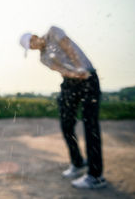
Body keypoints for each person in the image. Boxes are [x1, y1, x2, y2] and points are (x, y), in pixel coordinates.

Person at [20, 26, 106, 189]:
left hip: (89, 77)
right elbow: (61, 69)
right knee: (66, 124)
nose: (32, 48)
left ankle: (96, 176)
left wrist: (80, 67)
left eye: (31, 44)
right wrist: (74, 74)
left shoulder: (53, 31)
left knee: (91, 125)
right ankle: (78, 162)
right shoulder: (43, 58)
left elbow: (68, 47)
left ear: (34, 37)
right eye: (30, 48)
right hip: (70, 83)